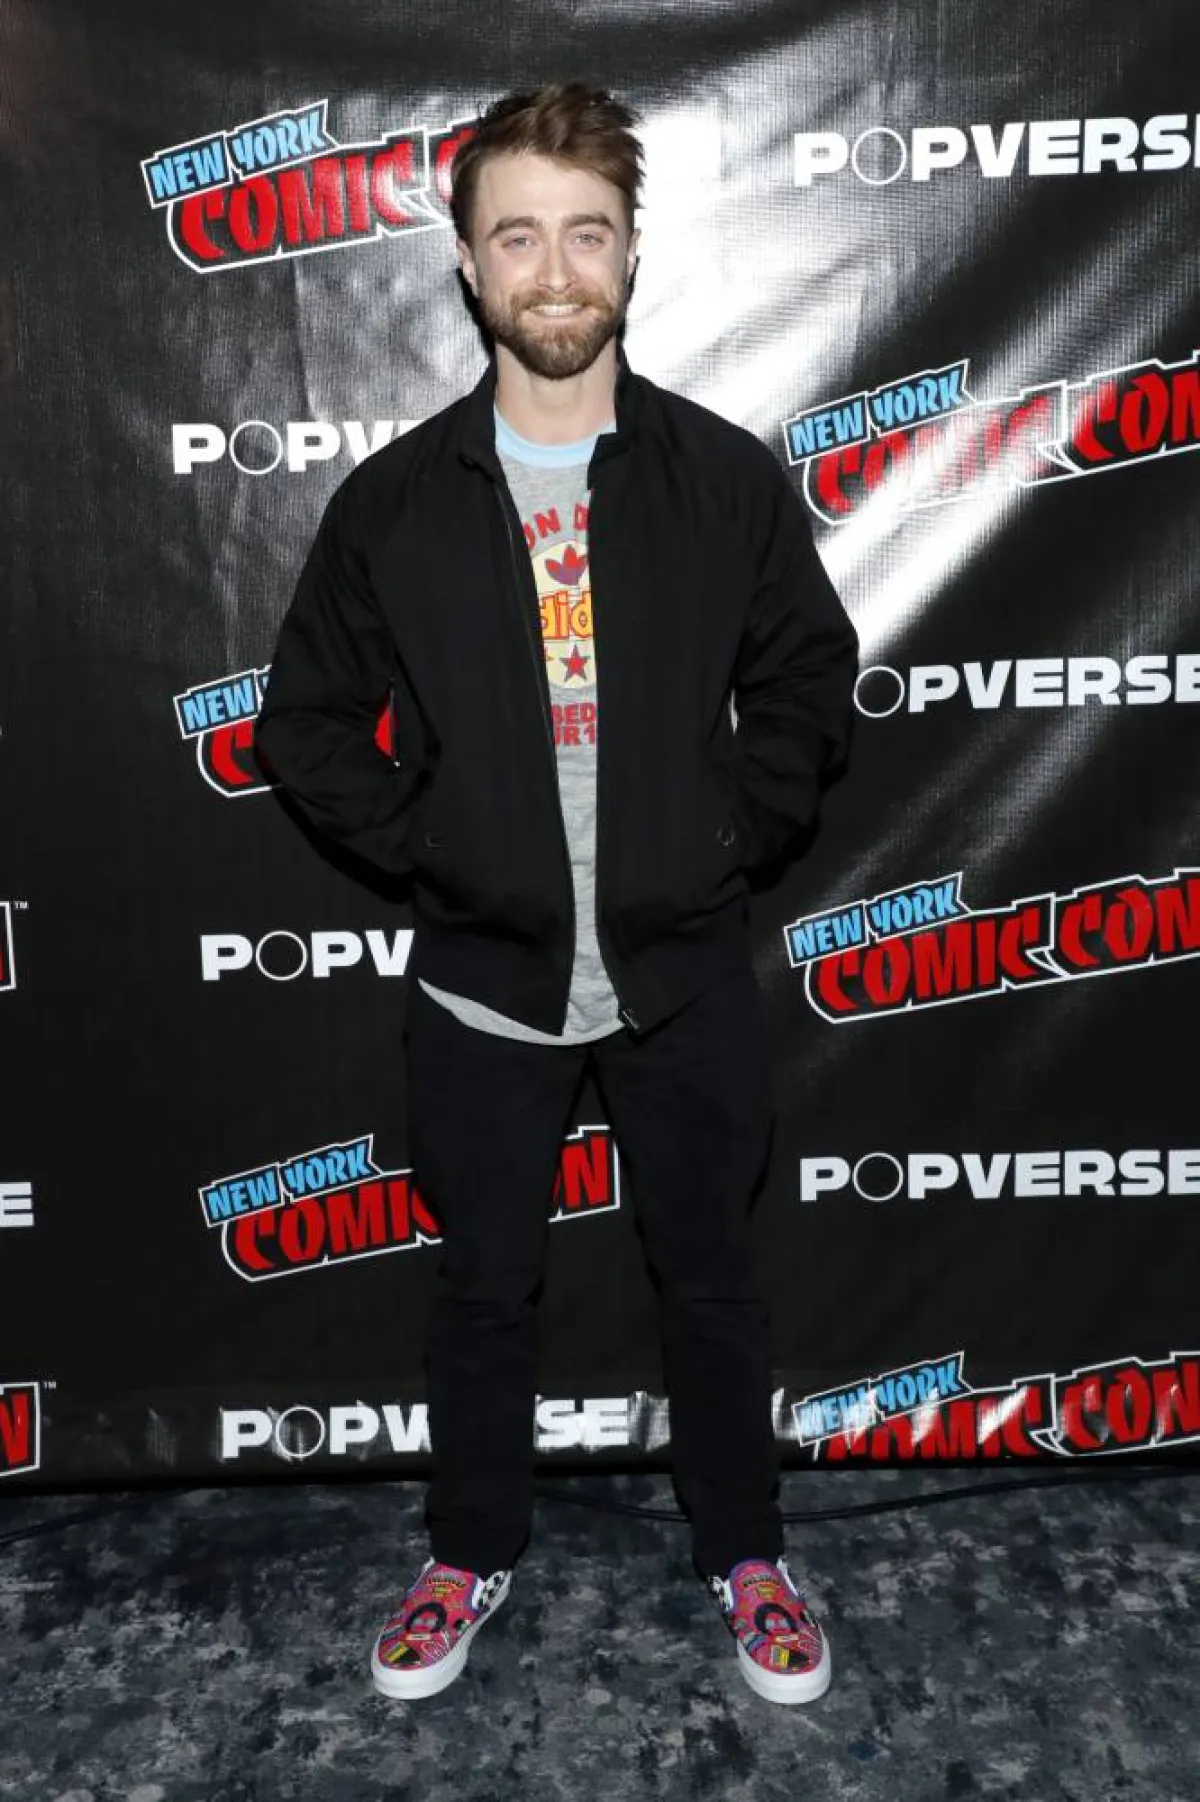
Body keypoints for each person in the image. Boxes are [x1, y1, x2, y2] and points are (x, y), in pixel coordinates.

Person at [254, 79, 858, 1707]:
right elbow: (299, 723)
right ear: (464, 264)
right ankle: (469, 1547)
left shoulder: (719, 479)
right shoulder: (393, 503)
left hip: (683, 969)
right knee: (483, 1290)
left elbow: (810, 676)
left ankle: (747, 1548)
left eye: (585, 232)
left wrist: (728, 829)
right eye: (518, 233)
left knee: (715, 1285)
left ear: (634, 253)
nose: (555, 267)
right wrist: (444, 844)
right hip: (483, 979)